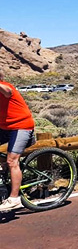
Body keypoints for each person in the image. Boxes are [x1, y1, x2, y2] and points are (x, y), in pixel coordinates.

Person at [0, 69, 36, 212]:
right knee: (6, 161)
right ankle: (2, 169)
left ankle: (14, 199)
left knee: (12, 161)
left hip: (21, 126)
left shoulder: (6, 87)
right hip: (5, 127)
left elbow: (7, 92)